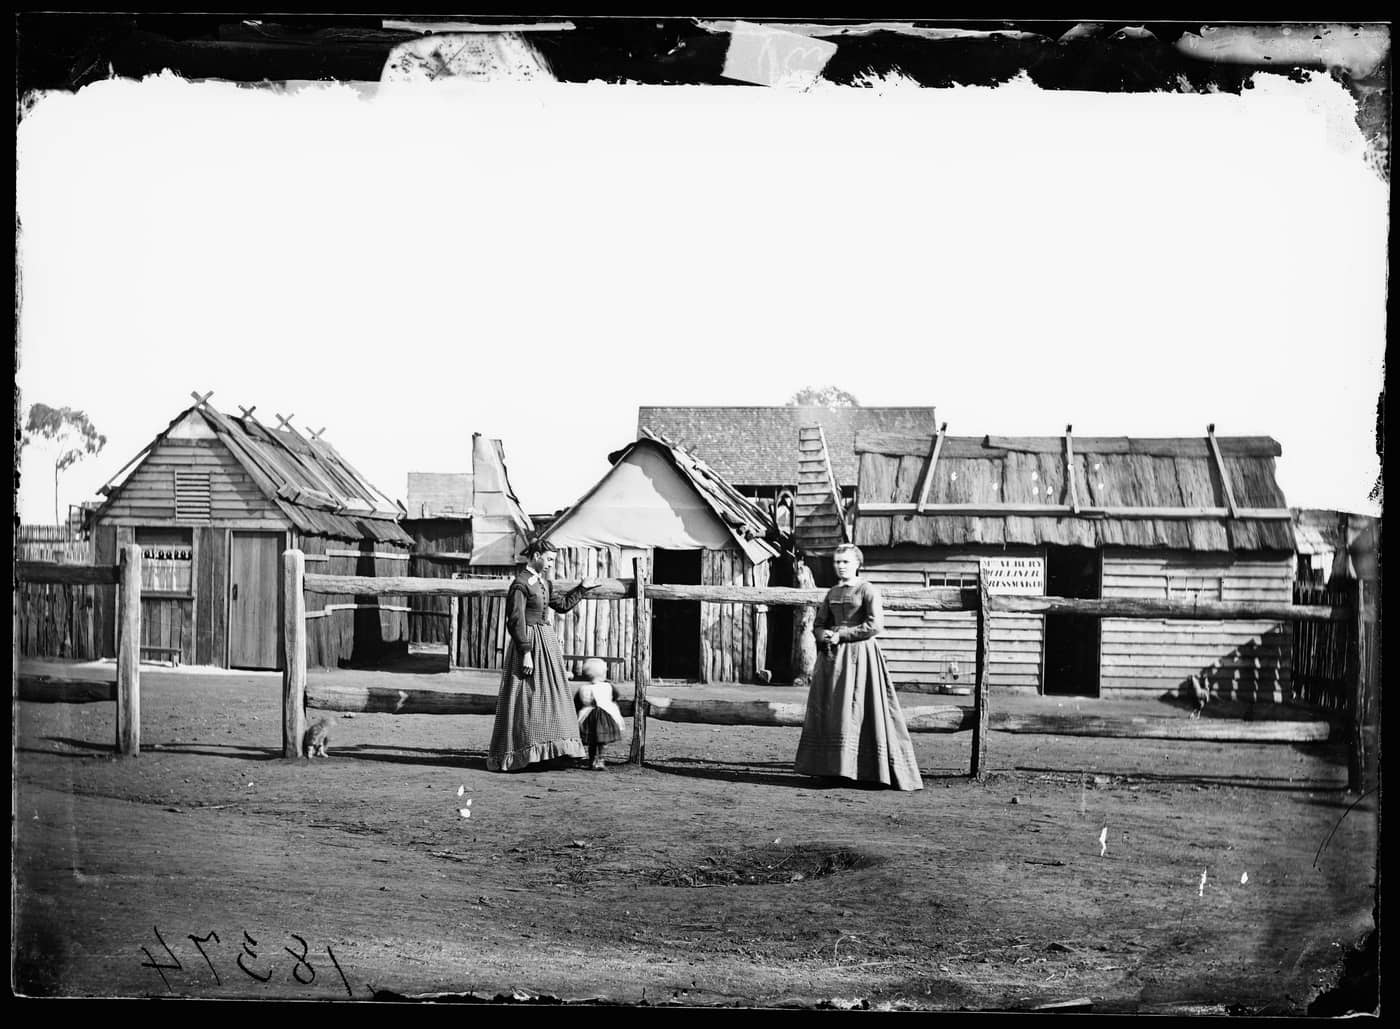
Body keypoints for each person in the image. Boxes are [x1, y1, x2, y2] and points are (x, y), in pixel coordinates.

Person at [794, 543, 924, 791]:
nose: (840, 566)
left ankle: (867, 770)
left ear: (857, 564)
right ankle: (833, 768)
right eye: (837, 562)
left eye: (845, 562)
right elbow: (819, 623)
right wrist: (825, 635)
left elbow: (875, 625)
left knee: (862, 707)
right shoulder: (832, 592)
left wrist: (843, 634)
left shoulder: (867, 590)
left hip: (861, 655)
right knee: (835, 708)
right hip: (833, 659)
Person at [486, 539, 601, 772]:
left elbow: (561, 605)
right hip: (528, 644)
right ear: (536, 555)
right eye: (549, 559)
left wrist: (582, 587)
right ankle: (524, 753)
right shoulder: (520, 583)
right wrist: (526, 652)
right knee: (527, 699)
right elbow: (515, 620)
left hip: (546, 643)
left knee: (553, 698)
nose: (550, 564)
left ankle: (552, 752)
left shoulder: (544, 583)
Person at [574, 657, 626, 770]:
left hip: (588, 717)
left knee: (592, 742)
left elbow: (577, 702)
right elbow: (616, 696)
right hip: (605, 718)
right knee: (603, 741)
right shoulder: (608, 686)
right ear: (603, 673)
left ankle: (592, 760)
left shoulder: (583, 688)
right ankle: (600, 760)